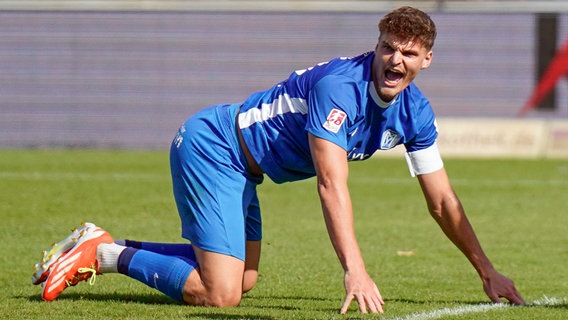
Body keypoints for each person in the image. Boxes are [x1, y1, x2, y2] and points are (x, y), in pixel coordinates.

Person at [32, 6, 525, 314]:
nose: (396, 61)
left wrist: (486, 270)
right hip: (215, 148)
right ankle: (103, 255)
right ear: (374, 47)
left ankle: (104, 244)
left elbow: (442, 201)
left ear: (427, 60)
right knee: (220, 293)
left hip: (246, 169)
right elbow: (331, 185)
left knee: (243, 279)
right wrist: (353, 268)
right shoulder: (340, 90)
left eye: (409, 54)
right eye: (388, 49)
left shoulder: (416, 111)